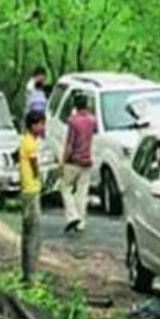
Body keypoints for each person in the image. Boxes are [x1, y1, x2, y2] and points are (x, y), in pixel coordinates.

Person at [60, 93, 97, 235]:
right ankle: (81, 222)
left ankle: (72, 215)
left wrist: (63, 161)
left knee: (65, 187)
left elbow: (69, 144)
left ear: (75, 105)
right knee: (82, 192)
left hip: (73, 161)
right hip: (87, 160)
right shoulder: (92, 121)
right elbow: (94, 131)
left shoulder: (73, 121)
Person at [19, 111, 46, 283]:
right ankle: (30, 275)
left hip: (28, 190)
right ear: (33, 125)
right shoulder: (30, 143)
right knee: (33, 232)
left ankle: (27, 272)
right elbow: (35, 167)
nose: (43, 127)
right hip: (30, 190)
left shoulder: (27, 141)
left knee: (28, 232)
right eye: (41, 124)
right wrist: (40, 179)